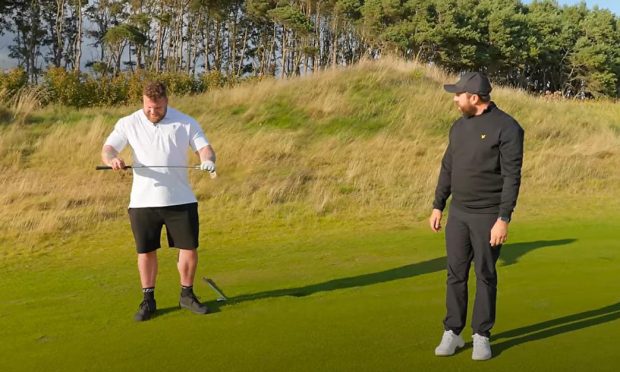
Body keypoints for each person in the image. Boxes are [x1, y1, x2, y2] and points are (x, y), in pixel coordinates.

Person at [101, 81, 217, 321]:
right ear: (143, 101)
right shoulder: (128, 122)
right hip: (143, 201)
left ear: (167, 102)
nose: (153, 112)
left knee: (188, 248)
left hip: (180, 199)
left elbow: (205, 148)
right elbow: (109, 148)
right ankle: (148, 300)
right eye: (149, 108)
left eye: (159, 108)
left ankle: (187, 295)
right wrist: (113, 159)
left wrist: (208, 160)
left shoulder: (185, 122)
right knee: (146, 251)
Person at [429, 72, 524, 360]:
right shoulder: (458, 127)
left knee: (485, 275)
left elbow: (511, 177)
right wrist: (438, 204)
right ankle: (453, 332)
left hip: (488, 217)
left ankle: (482, 335)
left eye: (458, 95)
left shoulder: (508, 128)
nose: (455, 99)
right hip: (458, 213)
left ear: (474, 98)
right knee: (455, 274)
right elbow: (448, 167)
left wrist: (503, 218)